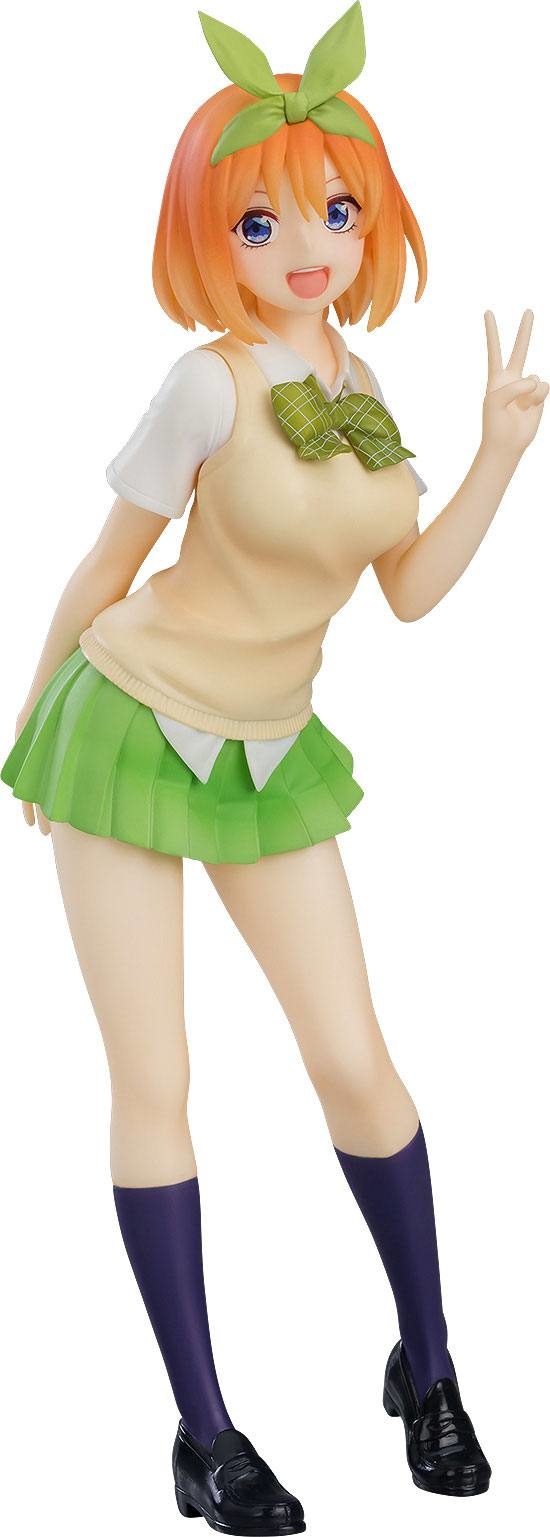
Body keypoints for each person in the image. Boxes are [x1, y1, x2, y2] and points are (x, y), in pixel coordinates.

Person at [2, 4, 547, 1528]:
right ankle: (203, 1432)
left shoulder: (363, 394)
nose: (304, 245)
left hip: (268, 749)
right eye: (260, 219)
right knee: (157, 1078)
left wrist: (499, 456)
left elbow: (408, 593)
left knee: (354, 1056)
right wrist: (26, 734)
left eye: (333, 209)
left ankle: (426, 1363)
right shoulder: (206, 385)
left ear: (371, 223)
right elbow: (103, 568)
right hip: (126, 727)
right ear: (210, 236)